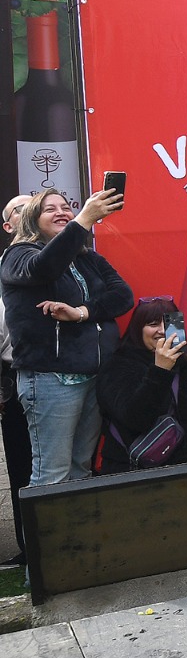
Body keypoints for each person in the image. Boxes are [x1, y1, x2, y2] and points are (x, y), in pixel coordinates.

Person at [0, 188, 130, 485]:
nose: (61, 212)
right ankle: (44, 520)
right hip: (51, 380)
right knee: (52, 476)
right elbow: (43, 268)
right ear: (32, 219)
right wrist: (84, 219)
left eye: (66, 207)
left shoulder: (87, 257)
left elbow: (123, 296)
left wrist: (82, 312)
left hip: (93, 378)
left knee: (81, 469)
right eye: (50, 209)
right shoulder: (17, 255)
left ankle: (76, 519)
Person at [95, 295, 187, 473]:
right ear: (138, 329)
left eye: (169, 323)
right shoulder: (117, 366)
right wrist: (160, 371)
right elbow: (135, 420)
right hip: (134, 472)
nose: (162, 330)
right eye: (153, 324)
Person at [0, 194, 32, 566]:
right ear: (8, 225)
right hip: (18, 378)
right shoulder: (5, 267)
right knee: (24, 464)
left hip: (77, 375)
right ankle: (31, 547)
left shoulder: (75, 258)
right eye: (22, 209)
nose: (34, 210)